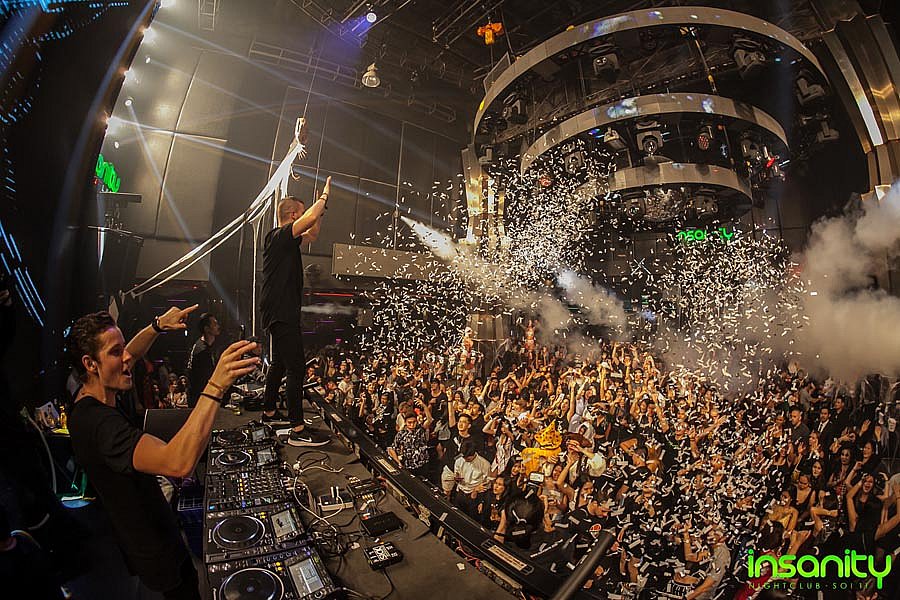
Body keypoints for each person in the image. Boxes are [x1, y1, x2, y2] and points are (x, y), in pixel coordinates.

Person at [66, 309, 259, 600]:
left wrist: (156, 326)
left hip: (154, 530)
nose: (127, 357)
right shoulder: (99, 425)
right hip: (153, 547)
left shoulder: (94, 391)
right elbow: (177, 463)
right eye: (116, 352)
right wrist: (217, 384)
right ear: (90, 364)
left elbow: (132, 352)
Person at [259, 178, 332, 447]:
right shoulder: (279, 236)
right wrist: (324, 197)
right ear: (292, 216)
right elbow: (309, 218)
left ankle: (269, 412)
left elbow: (312, 233)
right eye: (300, 213)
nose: (305, 217)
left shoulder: (285, 241)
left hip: (279, 309)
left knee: (279, 362)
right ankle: (298, 430)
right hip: (281, 310)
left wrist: (319, 212)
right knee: (296, 367)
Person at [186, 313, 220, 408]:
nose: (218, 326)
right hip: (200, 399)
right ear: (206, 329)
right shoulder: (202, 351)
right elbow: (207, 379)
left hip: (199, 396)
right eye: (215, 324)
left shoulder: (202, 345)